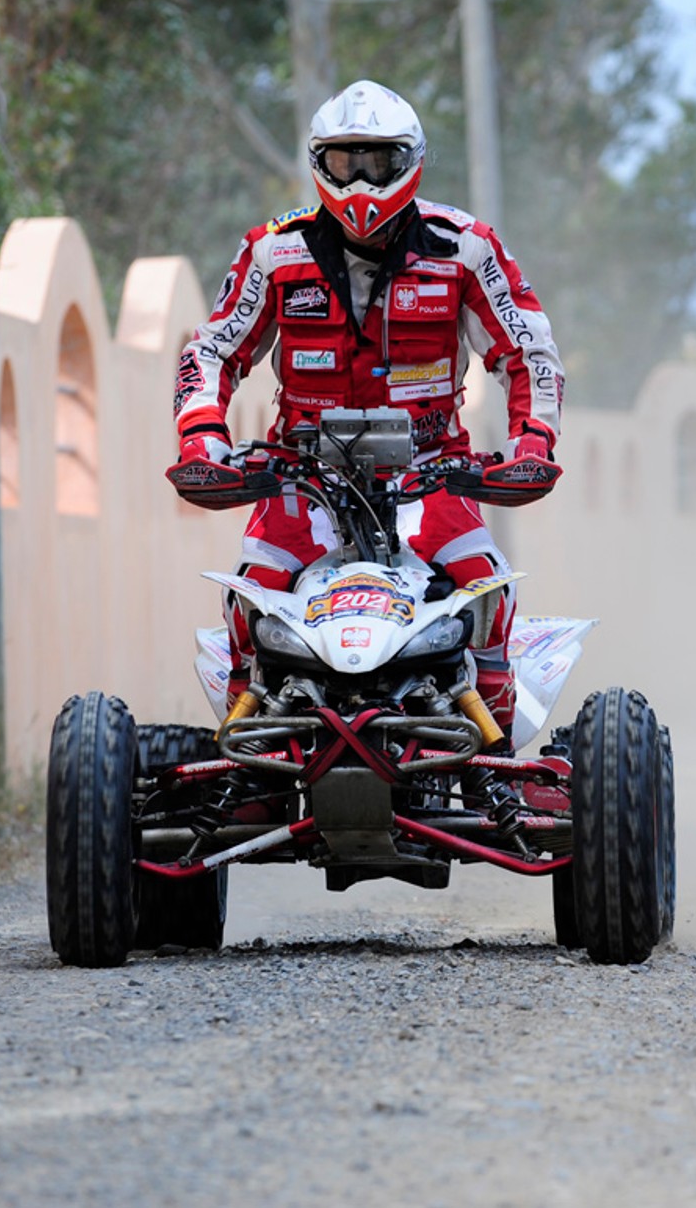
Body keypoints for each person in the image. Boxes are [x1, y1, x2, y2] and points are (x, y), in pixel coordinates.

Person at [168, 79, 564, 744]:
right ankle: (249, 758)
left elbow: (530, 351)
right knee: (249, 599)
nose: (359, 181)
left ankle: (494, 757)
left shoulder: (465, 246)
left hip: (433, 477)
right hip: (300, 481)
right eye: (344, 161)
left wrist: (533, 443)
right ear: (318, 162)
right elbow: (210, 353)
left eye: (376, 162)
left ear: (410, 162)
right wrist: (202, 439)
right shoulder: (274, 250)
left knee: (488, 588)